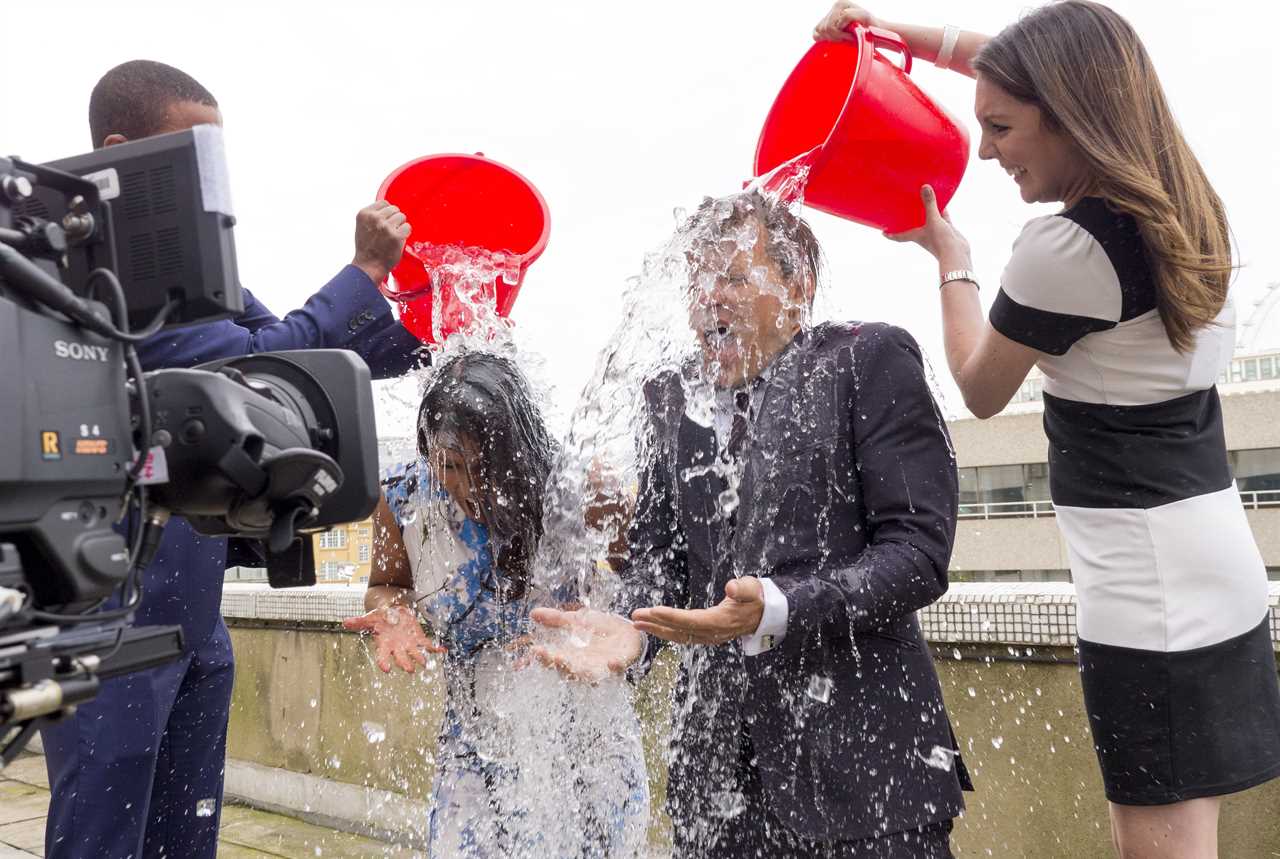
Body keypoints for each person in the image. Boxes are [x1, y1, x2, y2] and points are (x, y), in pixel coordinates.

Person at [814, 3, 1280, 857]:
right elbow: (1024, 61)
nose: (985, 149)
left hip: (1148, 602)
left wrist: (949, 257)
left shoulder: (1063, 250)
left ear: (1070, 114)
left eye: (1000, 128)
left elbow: (980, 385)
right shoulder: (1183, 196)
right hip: (1218, 571)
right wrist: (893, 34)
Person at [39, 59, 427, 859]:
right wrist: (362, 272)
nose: (212, 180)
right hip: (112, 624)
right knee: (104, 840)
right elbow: (246, 360)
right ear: (120, 152)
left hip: (193, 618)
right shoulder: (95, 279)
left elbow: (295, 352)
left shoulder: (195, 276)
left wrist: (432, 317)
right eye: (195, 155)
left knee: (188, 839)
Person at [532, 190, 971, 858]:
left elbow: (917, 553)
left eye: (734, 277)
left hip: (864, 777)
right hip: (718, 785)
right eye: (697, 281)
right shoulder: (673, 397)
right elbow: (663, 557)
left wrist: (778, 606)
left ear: (798, 286)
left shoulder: (866, 359)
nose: (710, 298)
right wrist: (634, 627)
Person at [344, 352, 649, 858]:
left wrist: (593, 626)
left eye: (485, 468)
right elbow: (387, 584)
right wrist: (395, 614)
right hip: (474, 753)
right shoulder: (402, 498)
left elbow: (646, 582)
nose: (467, 487)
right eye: (451, 467)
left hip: (585, 749)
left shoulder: (580, 488)